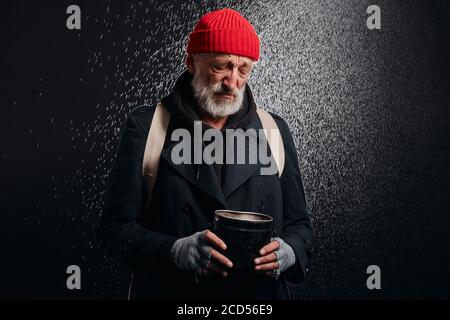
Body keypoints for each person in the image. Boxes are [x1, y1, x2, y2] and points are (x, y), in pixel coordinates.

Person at [97, 8, 313, 300]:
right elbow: (113, 231)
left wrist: (288, 253)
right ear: (191, 62)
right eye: (220, 67)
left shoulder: (274, 130)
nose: (232, 82)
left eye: (243, 70)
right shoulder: (148, 128)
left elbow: (299, 227)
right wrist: (173, 251)